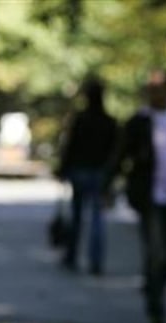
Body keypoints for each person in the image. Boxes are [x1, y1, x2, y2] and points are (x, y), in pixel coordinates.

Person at [107, 68, 166, 323]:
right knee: (155, 253)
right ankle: (156, 308)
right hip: (149, 197)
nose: (153, 95)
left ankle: (154, 284)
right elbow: (121, 154)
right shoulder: (139, 121)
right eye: (150, 90)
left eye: (158, 89)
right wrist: (107, 184)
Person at [57, 78, 119, 276]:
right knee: (97, 219)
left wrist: (63, 169)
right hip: (99, 173)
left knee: (78, 217)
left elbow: (70, 147)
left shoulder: (81, 119)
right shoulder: (109, 122)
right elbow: (114, 153)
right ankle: (96, 261)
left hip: (81, 172)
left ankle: (72, 255)